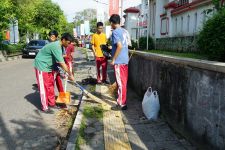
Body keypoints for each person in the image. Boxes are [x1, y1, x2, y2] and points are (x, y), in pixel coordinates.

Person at [34, 33, 75, 114]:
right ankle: (45, 107)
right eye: (68, 42)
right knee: (44, 87)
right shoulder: (56, 46)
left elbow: (62, 60)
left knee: (50, 85)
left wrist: (66, 73)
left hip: (50, 66)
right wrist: (70, 75)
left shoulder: (61, 46)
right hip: (42, 66)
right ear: (63, 40)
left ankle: (51, 103)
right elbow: (62, 63)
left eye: (70, 43)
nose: (68, 45)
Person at [109, 14, 129, 110]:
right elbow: (126, 44)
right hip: (125, 60)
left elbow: (119, 46)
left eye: (111, 23)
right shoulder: (124, 31)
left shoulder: (115, 32)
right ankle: (123, 102)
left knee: (120, 83)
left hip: (119, 61)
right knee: (124, 82)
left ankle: (121, 103)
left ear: (112, 23)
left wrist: (113, 60)